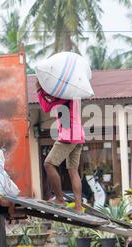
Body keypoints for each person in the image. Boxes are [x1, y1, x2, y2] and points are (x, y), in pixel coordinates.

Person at [36, 80, 85, 213]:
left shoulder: (65, 95)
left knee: (49, 164)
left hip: (68, 136)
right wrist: (44, 92)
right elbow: (53, 100)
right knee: (73, 170)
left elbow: (47, 107)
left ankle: (59, 199)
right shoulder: (74, 92)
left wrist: (40, 91)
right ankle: (78, 206)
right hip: (78, 136)